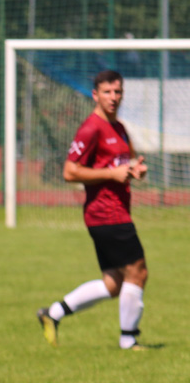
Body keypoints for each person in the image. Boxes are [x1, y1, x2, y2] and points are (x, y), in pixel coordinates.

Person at [37, 70, 149, 350]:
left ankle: (53, 313)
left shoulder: (119, 128)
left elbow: (124, 163)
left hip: (116, 210)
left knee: (113, 284)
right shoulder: (91, 128)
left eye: (118, 92)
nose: (114, 97)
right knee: (138, 272)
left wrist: (135, 169)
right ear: (95, 95)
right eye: (108, 92)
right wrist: (111, 175)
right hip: (105, 213)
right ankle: (128, 340)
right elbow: (69, 171)